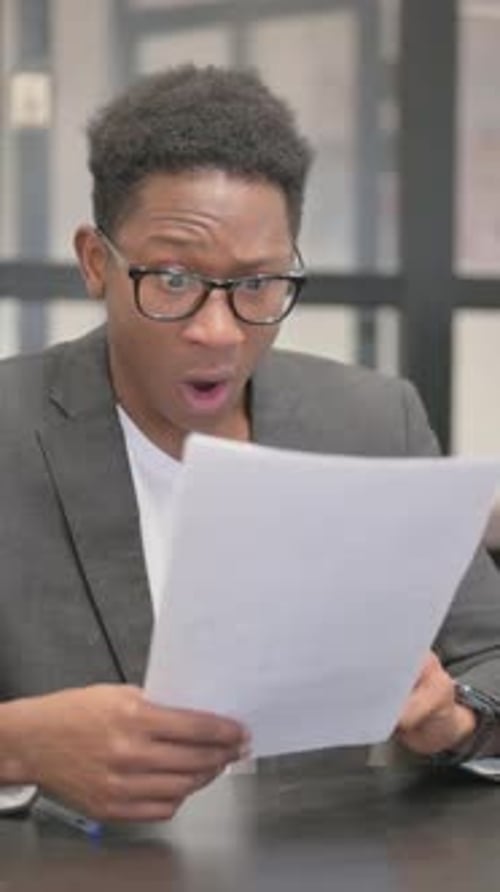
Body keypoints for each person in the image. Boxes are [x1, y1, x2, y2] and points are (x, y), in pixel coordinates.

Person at [1, 64, 500, 824]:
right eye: (171, 279)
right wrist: (17, 744)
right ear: (96, 263)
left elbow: (490, 662)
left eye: (259, 285)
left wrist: (454, 716)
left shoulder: (371, 424)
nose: (218, 330)